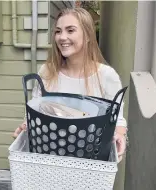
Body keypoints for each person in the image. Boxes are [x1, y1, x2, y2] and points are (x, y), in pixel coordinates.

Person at [13, 8, 127, 162]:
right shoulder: (47, 71)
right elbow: (34, 112)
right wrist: (25, 127)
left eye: (70, 30)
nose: (62, 37)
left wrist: (120, 136)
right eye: (58, 31)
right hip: (48, 158)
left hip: (89, 162)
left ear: (87, 35)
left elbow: (117, 119)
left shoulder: (107, 76)